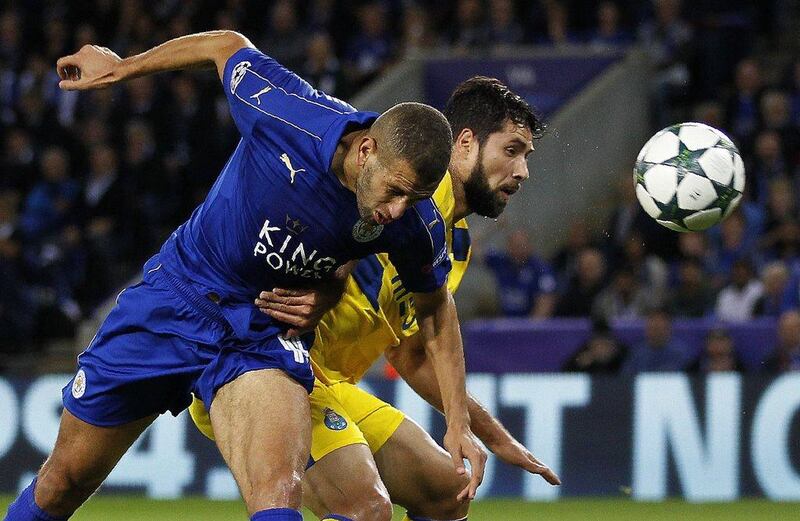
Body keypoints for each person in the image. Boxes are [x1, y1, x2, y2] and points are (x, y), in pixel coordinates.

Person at [5, 31, 485, 521]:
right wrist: (123, 67)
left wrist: (459, 423)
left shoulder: (412, 223)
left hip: (260, 332)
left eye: (416, 198)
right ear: (366, 151)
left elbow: (436, 310)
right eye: (395, 190)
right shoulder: (291, 114)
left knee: (279, 494)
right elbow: (226, 45)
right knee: (63, 482)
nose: (398, 209)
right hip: (177, 295)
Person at [190, 76, 560, 521]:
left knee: (448, 491)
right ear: (464, 144)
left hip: (333, 385)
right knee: (365, 507)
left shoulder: (453, 245)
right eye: (511, 150)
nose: (521, 172)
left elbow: (410, 352)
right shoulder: (401, 200)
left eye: (526, 156)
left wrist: (488, 434)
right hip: (270, 363)